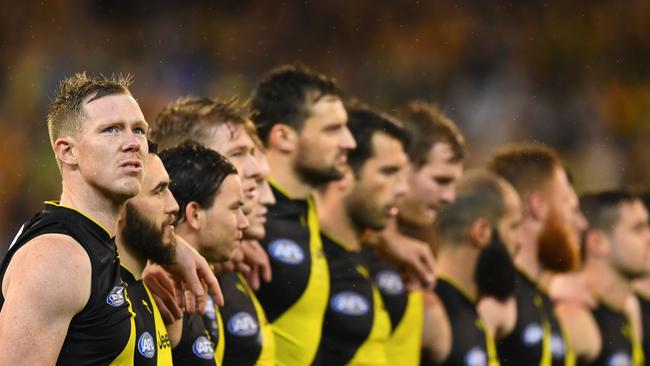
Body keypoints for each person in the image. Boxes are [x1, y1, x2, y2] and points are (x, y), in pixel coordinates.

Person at [150, 96, 277, 364]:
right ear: (193, 158)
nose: (256, 169)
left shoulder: (232, 260)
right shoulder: (152, 277)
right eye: (238, 154)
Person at [365, 101, 466, 366]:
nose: (449, 197)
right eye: (441, 181)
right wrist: (382, 238)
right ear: (403, 164)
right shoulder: (357, 222)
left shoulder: (423, 233)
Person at [315, 107, 409, 364]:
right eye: (388, 172)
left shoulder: (375, 260)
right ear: (344, 170)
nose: (402, 188)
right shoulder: (311, 260)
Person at [487, 142, 590, 365]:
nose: (581, 223)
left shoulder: (539, 299)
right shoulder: (497, 297)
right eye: (570, 207)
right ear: (537, 207)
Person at [159, 142, 249, 365]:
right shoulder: (160, 285)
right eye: (234, 208)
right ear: (195, 214)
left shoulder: (201, 278)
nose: (243, 222)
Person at [421, 170, 516, 366]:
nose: (520, 242)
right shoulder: (431, 311)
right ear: (481, 232)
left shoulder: (469, 313)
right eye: (513, 227)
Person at [116, 142, 177, 365]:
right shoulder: (92, 291)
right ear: (121, 206)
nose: (174, 205)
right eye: (159, 191)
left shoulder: (150, 289)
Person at [580, 191, 648, 365]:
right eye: (638, 229)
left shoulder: (630, 309)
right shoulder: (576, 314)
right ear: (597, 243)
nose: (649, 238)